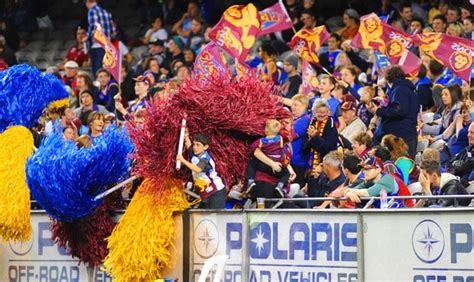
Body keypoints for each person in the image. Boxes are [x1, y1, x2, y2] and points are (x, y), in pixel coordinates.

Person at [371, 65, 419, 159]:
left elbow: (399, 111)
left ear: (388, 79)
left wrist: (379, 111)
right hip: (403, 135)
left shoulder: (400, 90)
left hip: (402, 138)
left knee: (402, 169)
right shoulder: (403, 88)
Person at [177, 133, 226, 209]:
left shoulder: (205, 159)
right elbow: (188, 144)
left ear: (205, 147)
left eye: (198, 145)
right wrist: (186, 135)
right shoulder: (196, 154)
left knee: (215, 218)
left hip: (216, 192)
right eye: (194, 144)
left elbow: (198, 169)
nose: (195, 147)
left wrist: (183, 160)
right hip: (206, 194)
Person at [246, 119, 292, 198]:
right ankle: (280, 187)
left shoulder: (261, 141)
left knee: (252, 163)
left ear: (266, 130)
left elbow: (253, 148)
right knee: (287, 173)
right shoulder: (280, 139)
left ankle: (250, 181)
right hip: (278, 165)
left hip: (265, 165)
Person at [344, 156, 413, 208]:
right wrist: (349, 193)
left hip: (399, 215)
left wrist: (350, 191)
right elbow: (354, 190)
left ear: (378, 170)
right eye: (363, 169)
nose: (364, 172)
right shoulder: (370, 181)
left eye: (368, 169)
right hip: (384, 216)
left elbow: (367, 193)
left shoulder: (387, 179)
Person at [305, 99, 339, 182]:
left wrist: (315, 137)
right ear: (314, 112)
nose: (321, 115)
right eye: (319, 112)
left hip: (326, 165)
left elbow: (328, 148)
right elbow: (305, 147)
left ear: (328, 112)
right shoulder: (312, 122)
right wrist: (310, 139)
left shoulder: (330, 124)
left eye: (324, 112)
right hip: (311, 164)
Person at [84, 0, 116, 77]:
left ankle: (98, 88)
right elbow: (113, 31)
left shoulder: (92, 11)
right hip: (107, 46)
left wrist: (86, 37)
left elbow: (94, 26)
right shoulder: (106, 12)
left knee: (97, 72)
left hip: (97, 45)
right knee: (106, 70)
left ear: (88, 2)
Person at [289, 94, 311, 187]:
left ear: (304, 105)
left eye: (296, 105)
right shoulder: (296, 119)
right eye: (292, 105)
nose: (292, 107)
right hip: (292, 160)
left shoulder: (304, 119)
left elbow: (290, 135)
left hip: (298, 161)